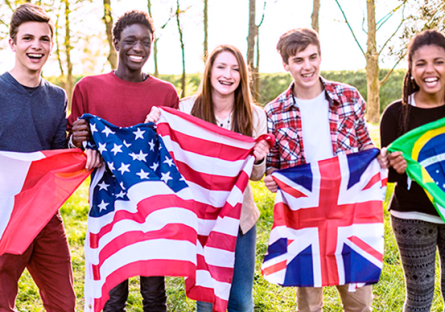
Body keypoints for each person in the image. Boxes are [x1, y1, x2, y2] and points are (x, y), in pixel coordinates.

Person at [67, 10, 179, 312]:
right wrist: (77, 139)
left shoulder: (165, 93)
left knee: (154, 292)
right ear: (116, 42)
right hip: (109, 206)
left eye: (146, 41)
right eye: (130, 40)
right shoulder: (88, 88)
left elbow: (173, 150)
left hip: (151, 204)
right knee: (113, 294)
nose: (138, 48)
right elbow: (73, 145)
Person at [263, 28, 381, 312]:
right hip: (305, 218)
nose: (307, 66)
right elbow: (274, 164)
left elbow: (366, 149)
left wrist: (381, 160)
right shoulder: (275, 111)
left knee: (358, 303)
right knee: (309, 303)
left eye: (313, 57)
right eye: (298, 60)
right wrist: (273, 178)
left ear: (320, 55)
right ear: (285, 65)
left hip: (348, 214)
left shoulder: (348, 97)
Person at [145, 44, 270, 312]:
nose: (228, 74)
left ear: (243, 76)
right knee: (208, 298)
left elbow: (257, 176)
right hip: (198, 217)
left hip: (239, 220)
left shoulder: (255, 115)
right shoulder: (186, 108)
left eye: (235, 69)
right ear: (209, 71)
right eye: (221, 67)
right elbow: (169, 155)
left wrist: (259, 157)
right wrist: (155, 122)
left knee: (240, 301)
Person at [0, 4, 76, 311]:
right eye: (28, 38)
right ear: (12, 43)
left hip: (44, 214)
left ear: (51, 45)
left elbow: (57, 151)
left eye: (44, 39)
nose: (36, 46)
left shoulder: (57, 96)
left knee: (64, 303)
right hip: (4, 216)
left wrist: (82, 146)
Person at [380, 29, 445, 312]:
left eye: (439, 61)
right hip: (412, 215)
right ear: (411, 69)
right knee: (419, 297)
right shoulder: (397, 113)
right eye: (421, 63)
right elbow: (391, 177)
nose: (430, 70)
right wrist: (393, 165)